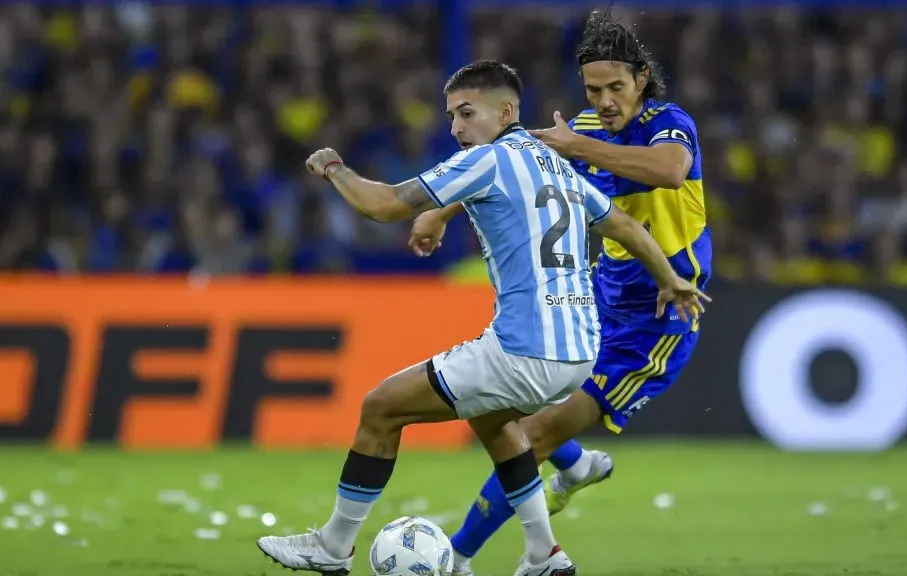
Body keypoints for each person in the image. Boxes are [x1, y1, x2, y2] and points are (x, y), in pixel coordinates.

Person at [257, 59, 709, 576]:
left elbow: (385, 205)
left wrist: (335, 168)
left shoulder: (488, 160)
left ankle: (333, 547)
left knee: (381, 408)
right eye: (451, 116)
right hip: (579, 350)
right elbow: (623, 225)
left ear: (506, 112)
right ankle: (544, 553)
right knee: (493, 419)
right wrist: (670, 279)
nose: (456, 127)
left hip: (524, 350)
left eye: (467, 113)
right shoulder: (553, 162)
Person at [407, 13, 713, 576]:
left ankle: (457, 557)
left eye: (615, 87)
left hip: (659, 316)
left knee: (532, 433)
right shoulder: (585, 126)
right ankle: (575, 469)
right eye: (593, 90)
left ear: (642, 79)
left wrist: (581, 146)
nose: (604, 101)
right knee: (501, 402)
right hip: (597, 295)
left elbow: (671, 172)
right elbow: (513, 163)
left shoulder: (669, 124)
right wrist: (440, 210)